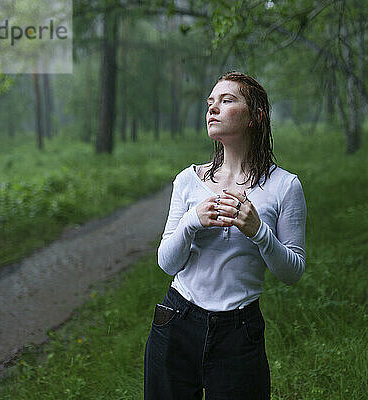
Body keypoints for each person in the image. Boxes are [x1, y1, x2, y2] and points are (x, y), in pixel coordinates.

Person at [144, 71, 307, 400]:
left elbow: (293, 272)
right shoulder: (188, 180)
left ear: (255, 116)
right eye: (210, 103)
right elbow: (166, 263)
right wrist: (192, 221)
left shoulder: (284, 187)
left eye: (226, 100)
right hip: (176, 321)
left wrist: (259, 231)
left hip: (239, 332)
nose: (212, 109)